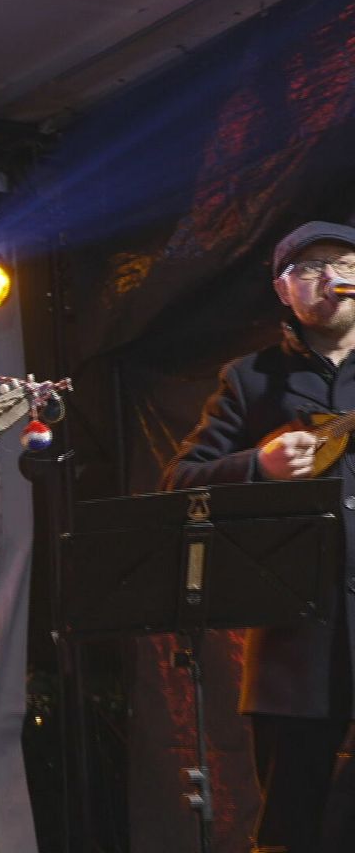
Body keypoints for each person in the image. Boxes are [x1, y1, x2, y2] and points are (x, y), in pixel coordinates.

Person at [164, 220, 355, 853]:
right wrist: (257, 466)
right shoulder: (251, 379)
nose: (331, 277)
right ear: (282, 289)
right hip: (299, 648)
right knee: (290, 830)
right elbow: (179, 483)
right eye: (311, 267)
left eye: (345, 263)